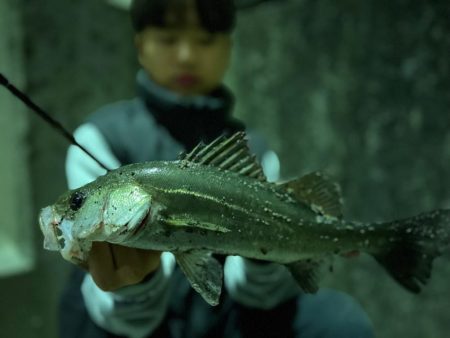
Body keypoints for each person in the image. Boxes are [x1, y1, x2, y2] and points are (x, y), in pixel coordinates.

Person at [60, 0, 374, 337]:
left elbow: (258, 295)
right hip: (131, 324)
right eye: (168, 39)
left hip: (223, 320)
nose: (186, 55)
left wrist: (267, 248)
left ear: (228, 48)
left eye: (205, 41)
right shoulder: (100, 138)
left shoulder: (256, 150)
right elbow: (116, 314)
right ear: (140, 46)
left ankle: (381, 241)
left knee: (337, 320)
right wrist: (137, 284)